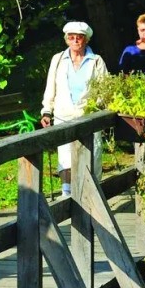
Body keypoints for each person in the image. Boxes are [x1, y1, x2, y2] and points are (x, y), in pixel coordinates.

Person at [40, 21, 109, 197]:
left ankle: (92, 196)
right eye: (71, 37)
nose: (75, 41)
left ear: (86, 40)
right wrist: (46, 111)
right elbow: (51, 87)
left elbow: (105, 88)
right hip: (63, 116)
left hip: (89, 118)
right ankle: (67, 194)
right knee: (65, 159)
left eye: (79, 37)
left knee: (93, 158)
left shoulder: (96, 61)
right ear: (66, 40)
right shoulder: (58, 60)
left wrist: (98, 107)